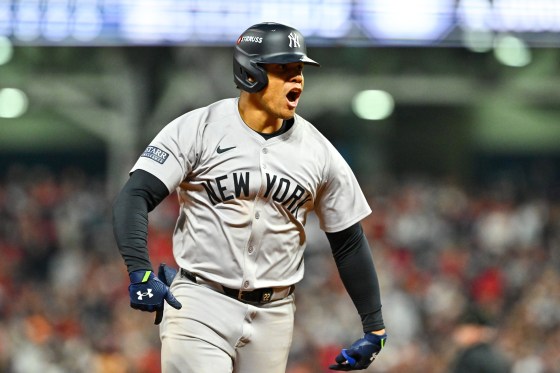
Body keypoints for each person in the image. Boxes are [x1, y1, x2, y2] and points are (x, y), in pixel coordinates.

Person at [113, 22, 387, 373]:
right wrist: (139, 271)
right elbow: (134, 195)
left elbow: (348, 241)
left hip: (275, 316)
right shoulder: (197, 128)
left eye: (299, 70)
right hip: (199, 302)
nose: (297, 80)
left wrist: (374, 328)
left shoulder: (320, 152)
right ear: (251, 74)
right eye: (284, 70)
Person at [449, 307, 511, 373]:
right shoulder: (499, 356)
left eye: (463, 329)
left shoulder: (472, 357)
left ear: (476, 330)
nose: (458, 334)